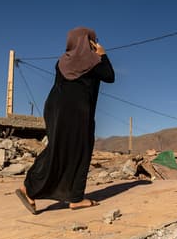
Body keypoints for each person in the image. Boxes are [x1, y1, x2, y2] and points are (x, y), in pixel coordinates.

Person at [15, 27, 115, 214]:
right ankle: (29, 189)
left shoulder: (63, 61)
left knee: (61, 148)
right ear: (88, 41)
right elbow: (110, 76)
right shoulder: (94, 61)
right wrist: (103, 55)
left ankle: (75, 197)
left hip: (55, 107)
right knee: (75, 150)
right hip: (75, 112)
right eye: (94, 40)